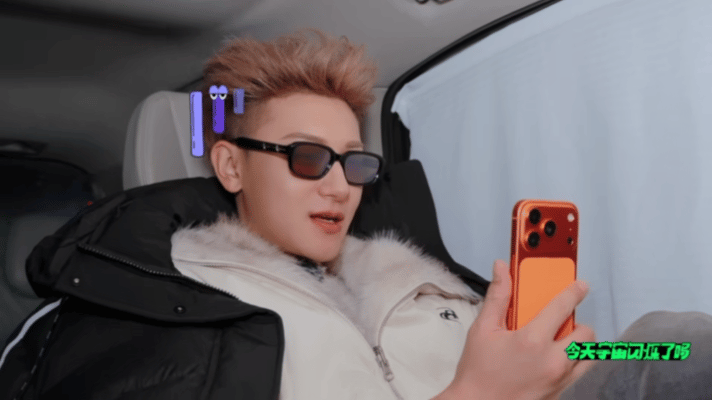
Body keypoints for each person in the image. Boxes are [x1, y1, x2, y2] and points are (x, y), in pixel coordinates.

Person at [1, 28, 710, 400]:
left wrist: (602, 353)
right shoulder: (157, 301)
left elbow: (575, 371)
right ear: (231, 166)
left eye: (355, 162)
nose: (341, 187)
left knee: (672, 342)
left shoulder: (418, 273)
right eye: (308, 157)